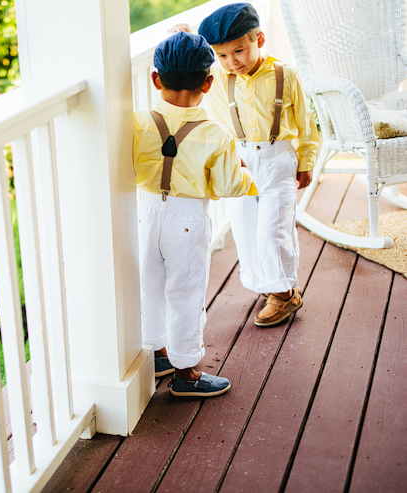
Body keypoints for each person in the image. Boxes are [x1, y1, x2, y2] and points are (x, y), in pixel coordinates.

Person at [134, 32, 257, 397]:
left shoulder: (137, 123)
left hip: (145, 212)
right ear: (209, 81)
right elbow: (228, 186)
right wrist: (248, 178)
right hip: (187, 220)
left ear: (156, 80)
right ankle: (186, 373)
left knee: (148, 285)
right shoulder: (216, 135)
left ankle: (157, 352)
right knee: (185, 292)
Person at [193, 3, 319, 327]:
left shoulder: (284, 75)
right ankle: (265, 284)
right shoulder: (220, 80)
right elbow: (194, 68)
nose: (231, 61)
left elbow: (306, 124)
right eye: (222, 55)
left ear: (259, 40)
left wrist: (305, 161)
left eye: (239, 51)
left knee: (272, 229)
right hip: (241, 160)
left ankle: (284, 293)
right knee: (245, 226)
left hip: (278, 159)